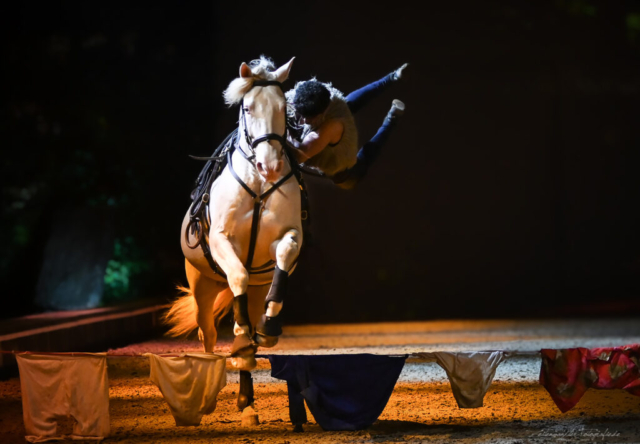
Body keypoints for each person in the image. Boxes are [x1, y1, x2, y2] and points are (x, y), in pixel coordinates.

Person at [286, 63, 407, 189]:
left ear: (323, 112)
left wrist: (284, 133)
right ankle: (392, 77)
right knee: (345, 104)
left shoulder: (329, 127)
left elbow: (299, 156)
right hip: (331, 113)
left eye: (309, 117)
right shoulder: (302, 94)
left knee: (365, 158)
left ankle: (391, 120)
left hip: (344, 171)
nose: (304, 121)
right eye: (302, 114)